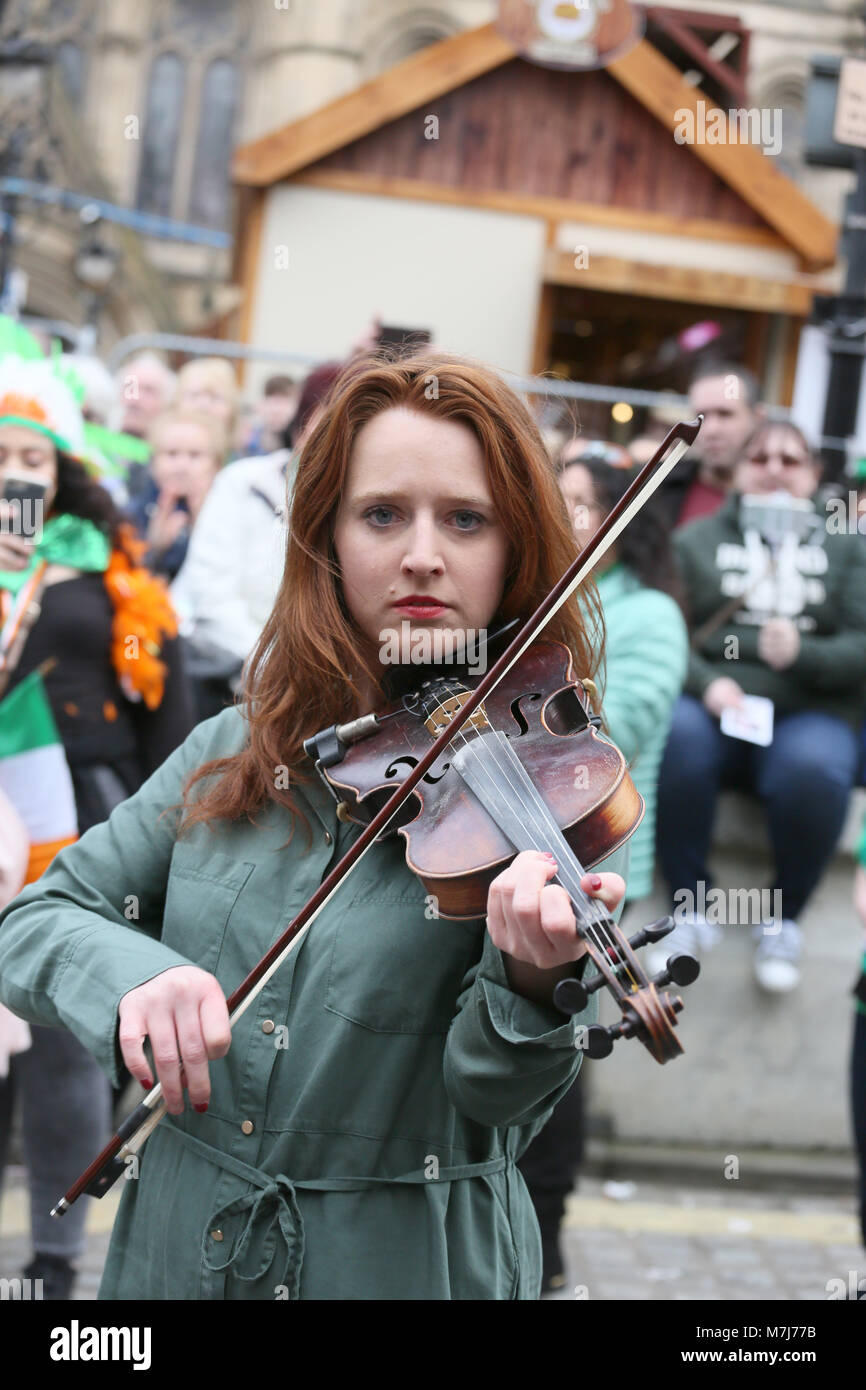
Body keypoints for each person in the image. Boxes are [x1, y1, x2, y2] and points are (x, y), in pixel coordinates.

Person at [0, 351, 627, 1301]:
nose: (423, 553)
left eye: (466, 518)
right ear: (326, 540)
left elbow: (494, 1104)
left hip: (397, 1264)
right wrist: (140, 978)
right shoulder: (238, 746)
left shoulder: (545, 787)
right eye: (382, 515)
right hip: (179, 1252)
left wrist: (533, 982)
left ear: (516, 549)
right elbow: (38, 919)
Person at [0, 357, 196, 1298]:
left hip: (72, 808)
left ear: (60, 473)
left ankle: (51, 1257)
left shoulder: (105, 568)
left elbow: (151, 681)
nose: (14, 474)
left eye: (30, 457)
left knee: (60, 1038)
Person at [520, 447, 688, 1294]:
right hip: (489, 847)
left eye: (586, 504)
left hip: (593, 858)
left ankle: (545, 1249)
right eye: (560, 501)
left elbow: (619, 722)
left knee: (557, 1044)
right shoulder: (518, 599)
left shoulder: (650, 613)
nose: (572, 519)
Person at [656, 421, 866, 993]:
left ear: (815, 476)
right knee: (678, 736)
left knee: (814, 769)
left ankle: (783, 918)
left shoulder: (848, 543)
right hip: (717, 707)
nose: (774, 467)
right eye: (761, 456)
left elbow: (861, 645)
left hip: (811, 712)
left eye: (791, 459)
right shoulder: (695, 540)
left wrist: (806, 654)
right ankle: (687, 908)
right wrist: (708, 684)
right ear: (739, 471)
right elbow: (668, 632)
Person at [171, 361, 345, 720]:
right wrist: (273, 671)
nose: (335, 441)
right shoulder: (243, 483)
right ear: (302, 425)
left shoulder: (356, 508)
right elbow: (212, 595)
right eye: (326, 423)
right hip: (221, 677)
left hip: (310, 694)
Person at [657, 363, 763, 529]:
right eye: (700, 416)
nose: (711, 429)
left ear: (758, 418)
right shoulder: (660, 487)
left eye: (725, 414)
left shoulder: (779, 498)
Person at [128, 410, 226, 582]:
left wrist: (200, 524)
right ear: (152, 462)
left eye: (195, 455)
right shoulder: (135, 510)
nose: (182, 465)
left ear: (216, 465)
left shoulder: (227, 511)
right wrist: (154, 546)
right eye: (171, 454)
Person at [244, 374, 299, 457]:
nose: (276, 410)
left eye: (283, 402)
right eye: (272, 401)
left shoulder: (299, 444)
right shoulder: (246, 442)